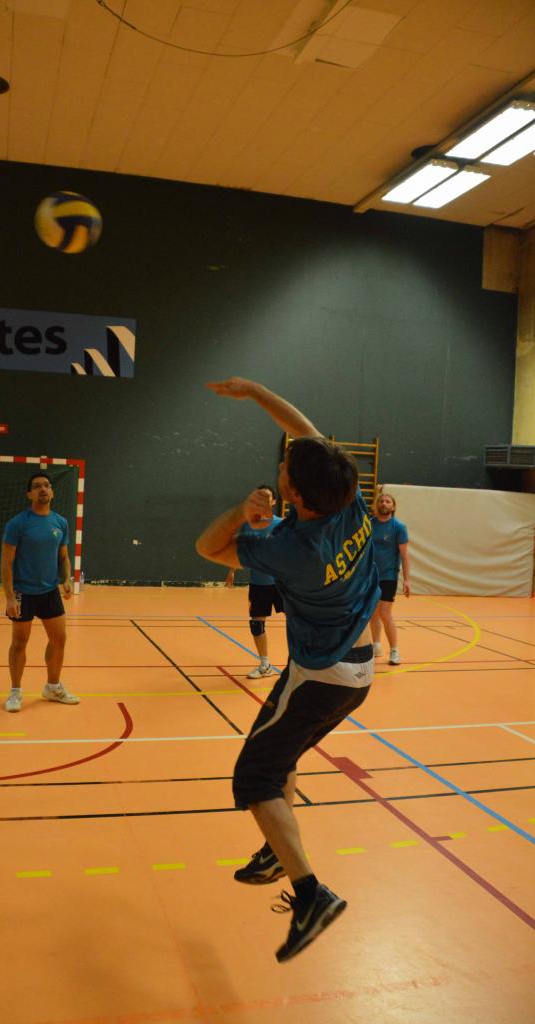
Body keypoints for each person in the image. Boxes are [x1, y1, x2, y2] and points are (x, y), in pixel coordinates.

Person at [196, 377, 379, 964]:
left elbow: (207, 548)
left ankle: (310, 894)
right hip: (355, 665)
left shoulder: (291, 548)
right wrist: (254, 392)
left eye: (283, 471)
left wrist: (242, 512)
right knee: (283, 750)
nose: (280, 465)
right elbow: (304, 432)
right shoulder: (348, 495)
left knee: (254, 777)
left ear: (294, 495)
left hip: (322, 674)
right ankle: (276, 851)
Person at [1, 472, 78, 713]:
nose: (43, 489)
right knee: (19, 643)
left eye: (46, 485)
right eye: (36, 486)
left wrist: (66, 578)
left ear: (52, 492)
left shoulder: (60, 523)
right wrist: (10, 597)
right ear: (29, 494)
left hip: (50, 592)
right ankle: (15, 692)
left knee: (59, 639)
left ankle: (52, 687)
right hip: (23, 592)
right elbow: (6, 563)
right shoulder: (17, 524)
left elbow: (63, 557)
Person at [225, 485, 283, 679]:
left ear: (273, 502)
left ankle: (301, 663)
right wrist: (231, 571)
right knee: (256, 625)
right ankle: (265, 665)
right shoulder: (248, 525)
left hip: (282, 583)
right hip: (259, 583)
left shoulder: (283, 525)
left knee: (297, 622)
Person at [370, 490, 410, 665]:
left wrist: (407, 579)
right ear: (377, 505)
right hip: (370, 575)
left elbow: (405, 555)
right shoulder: (369, 524)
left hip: (388, 575)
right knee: (372, 612)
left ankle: (394, 651)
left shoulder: (398, 527)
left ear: (393, 507)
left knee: (385, 613)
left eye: (388, 501)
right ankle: (376, 646)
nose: (384, 503)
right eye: (381, 501)